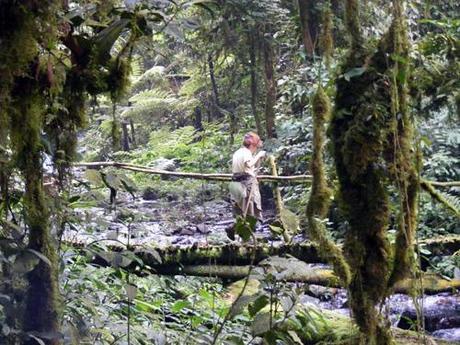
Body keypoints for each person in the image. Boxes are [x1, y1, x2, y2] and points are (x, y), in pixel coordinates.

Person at [229, 132, 266, 223]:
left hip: (235, 182)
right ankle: (247, 230)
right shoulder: (246, 152)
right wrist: (259, 155)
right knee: (249, 211)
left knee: (239, 210)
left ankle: (238, 228)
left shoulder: (238, 152)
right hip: (246, 183)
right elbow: (249, 164)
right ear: (253, 145)